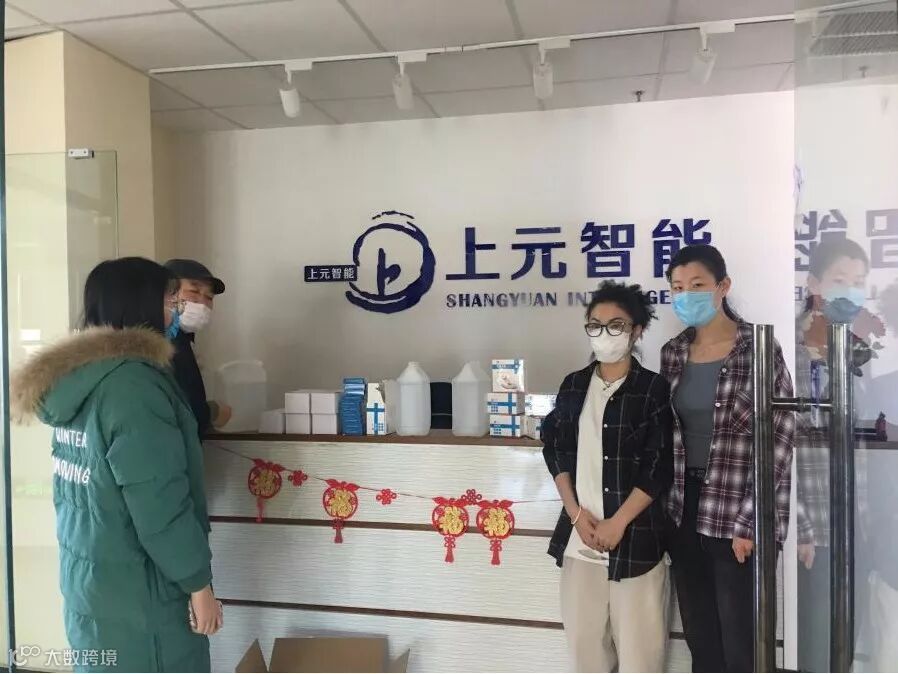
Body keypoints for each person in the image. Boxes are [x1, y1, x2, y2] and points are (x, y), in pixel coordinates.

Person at [10, 257, 220, 672]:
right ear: (140, 305)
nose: (176, 312)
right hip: (143, 600)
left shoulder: (82, 379)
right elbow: (160, 507)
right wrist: (199, 584)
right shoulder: (134, 387)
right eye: (171, 301)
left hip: (94, 587)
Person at [661, 244, 796, 673]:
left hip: (738, 508)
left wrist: (752, 521)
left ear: (723, 287)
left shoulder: (758, 347)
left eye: (697, 285)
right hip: (684, 506)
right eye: (677, 287)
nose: (686, 295)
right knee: (701, 637)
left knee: (744, 643)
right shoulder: (672, 352)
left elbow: (779, 438)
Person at [542, 281, 673, 672]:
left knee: (640, 657)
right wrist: (576, 515)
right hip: (580, 543)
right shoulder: (573, 385)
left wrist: (618, 523)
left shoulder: (652, 389)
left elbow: (658, 465)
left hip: (636, 545)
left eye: (617, 325)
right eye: (595, 325)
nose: (605, 333)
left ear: (637, 331)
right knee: (587, 655)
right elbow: (556, 450)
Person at [794, 237, 877, 673]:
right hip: (816, 531)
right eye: (840, 279)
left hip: (856, 523)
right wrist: (801, 527)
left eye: (858, 281)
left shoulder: (857, 347)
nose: (850, 290)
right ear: (814, 283)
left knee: (847, 642)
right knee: (815, 646)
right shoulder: (791, 348)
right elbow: (781, 442)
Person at [164, 259, 231, 438]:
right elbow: (182, 410)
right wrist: (213, 412)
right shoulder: (163, 343)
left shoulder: (183, 341)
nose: (202, 302)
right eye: (193, 291)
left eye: (209, 297)